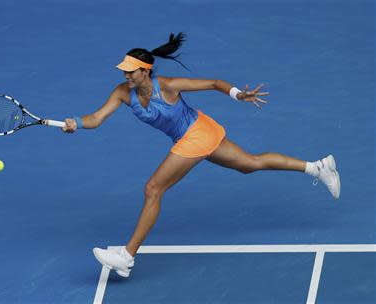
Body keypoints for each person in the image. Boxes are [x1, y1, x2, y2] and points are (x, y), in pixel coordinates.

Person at [62, 33, 340, 278]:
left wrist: (237, 95)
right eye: (124, 71)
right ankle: (318, 167)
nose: (125, 76)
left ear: (145, 71)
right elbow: (96, 118)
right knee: (249, 164)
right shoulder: (122, 93)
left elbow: (213, 83)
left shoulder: (168, 85)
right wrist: (76, 121)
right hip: (194, 135)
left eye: (130, 71)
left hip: (196, 133)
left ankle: (126, 257)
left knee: (153, 189)